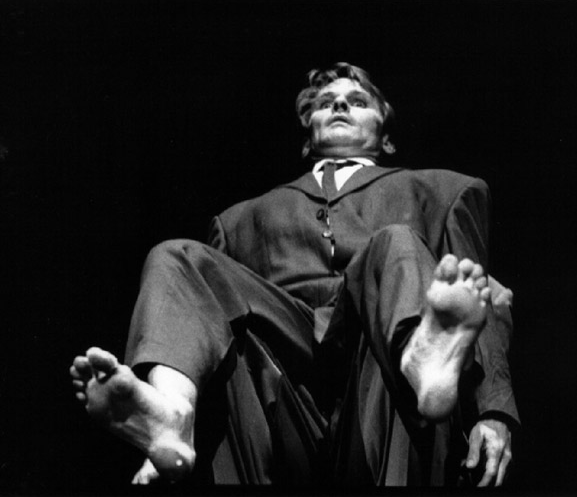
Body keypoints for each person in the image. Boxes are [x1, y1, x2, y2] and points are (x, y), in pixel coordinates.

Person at [70, 63, 518, 487]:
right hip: (284, 388)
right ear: (308, 138)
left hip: (381, 376)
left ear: (386, 138)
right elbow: (200, 325)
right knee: (175, 255)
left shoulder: (446, 191)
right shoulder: (238, 220)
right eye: (326, 102)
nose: (339, 105)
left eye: (357, 101)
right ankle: (172, 414)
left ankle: (423, 360)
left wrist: (493, 411)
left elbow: (484, 300)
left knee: (395, 241)